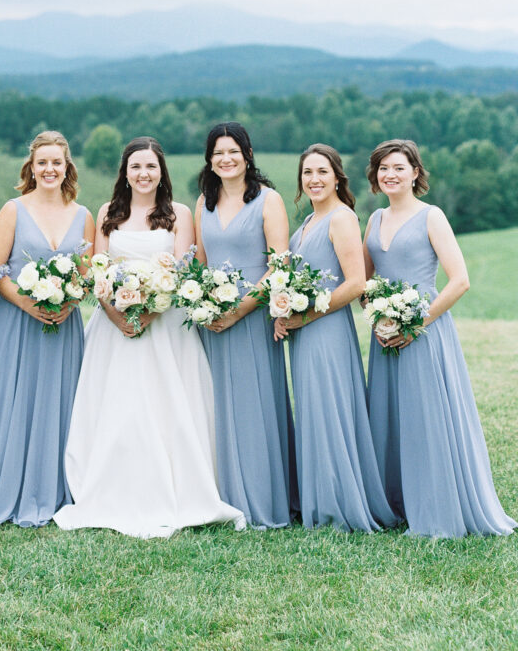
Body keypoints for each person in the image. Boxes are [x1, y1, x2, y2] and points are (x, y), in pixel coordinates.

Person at [54, 137, 245, 538]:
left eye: (151, 167)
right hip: (114, 326)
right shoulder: (108, 212)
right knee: (118, 406)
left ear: (162, 172)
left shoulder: (177, 213)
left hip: (165, 325)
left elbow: (179, 272)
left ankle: (177, 488)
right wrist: (118, 315)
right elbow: (99, 271)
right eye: (136, 166)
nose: (144, 174)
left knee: (166, 405)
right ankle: (112, 488)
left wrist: (150, 312)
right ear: (125, 172)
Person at [364, 139, 515, 537]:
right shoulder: (375, 219)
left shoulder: (431, 216)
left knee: (425, 418)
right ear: (375, 176)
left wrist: (415, 323)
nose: (390, 174)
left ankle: (435, 507)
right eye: (383, 168)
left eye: (399, 167)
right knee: (388, 416)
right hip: (384, 332)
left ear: (416, 172)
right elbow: (365, 280)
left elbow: (460, 280)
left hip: (423, 330)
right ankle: (395, 503)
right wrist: (379, 312)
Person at [0, 131, 94, 528]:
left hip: (65, 325)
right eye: (42, 163)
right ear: (31, 168)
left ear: (67, 167)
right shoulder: (14, 210)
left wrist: (68, 300)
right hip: (18, 323)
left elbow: (88, 275)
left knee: (62, 403)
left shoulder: (84, 215)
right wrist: (28, 303)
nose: (49, 169)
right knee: (15, 401)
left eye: (57, 163)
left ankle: (58, 489)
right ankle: (10, 488)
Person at [275, 144, 397, 532]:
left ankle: (337, 505)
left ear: (337, 177)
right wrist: (283, 316)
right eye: (307, 173)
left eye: (322, 172)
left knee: (329, 410)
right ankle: (318, 499)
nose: (314, 179)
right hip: (305, 332)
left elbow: (356, 282)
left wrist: (305, 315)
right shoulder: (307, 223)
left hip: (326, 331)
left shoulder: (341, 218)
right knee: (312, 411)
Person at [196, 122, 297, 528]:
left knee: (256, 405)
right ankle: (220, 496)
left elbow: (280, 265)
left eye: (232, 151)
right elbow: (199, 264)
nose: (225, 158)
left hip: (252, 319)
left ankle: (262, 498)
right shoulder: (205, 201)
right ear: (210, 159)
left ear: (247, 154)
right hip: (212, 323)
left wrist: (239, 310)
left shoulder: (268, 201)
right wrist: (202, 304)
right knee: (216, 404)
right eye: (218, 152)